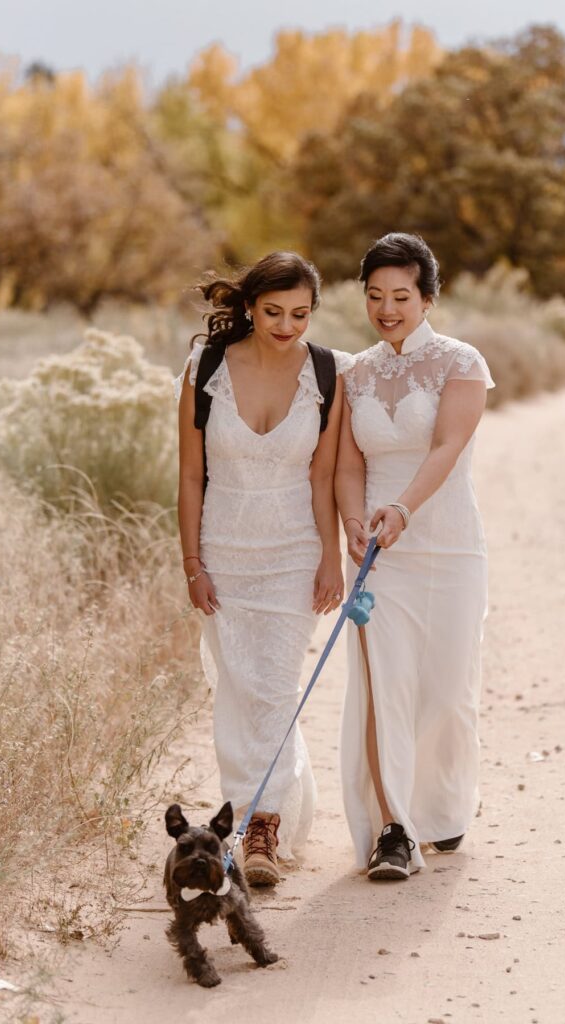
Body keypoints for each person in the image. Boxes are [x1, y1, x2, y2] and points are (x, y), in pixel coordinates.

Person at [176, 251, 349, 886]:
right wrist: (192, 563)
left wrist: (331, 555)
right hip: (222, 551)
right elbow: (191, 475)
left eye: (300, 314)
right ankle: (254, 816)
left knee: (275, 689)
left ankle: (260, 829)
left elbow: (323, 474)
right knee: (238, 692)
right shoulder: (207, 368)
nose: (286, 326)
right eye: (274, 311)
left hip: (293, 555)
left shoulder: (328, 372)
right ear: (249, 305)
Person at [335, 233, 495, 880]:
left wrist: (402, 507)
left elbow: (446, 447)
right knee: (383, 687)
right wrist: (354, 518)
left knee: (448, 689)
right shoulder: (354, 372)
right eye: (375, 296)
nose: (386, 309)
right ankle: (394, 828)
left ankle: (442, 808)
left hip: (446, 541)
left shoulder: (461, 363)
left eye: (400, 296)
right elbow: (348, 463)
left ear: (427, 298)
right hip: (379, 553)